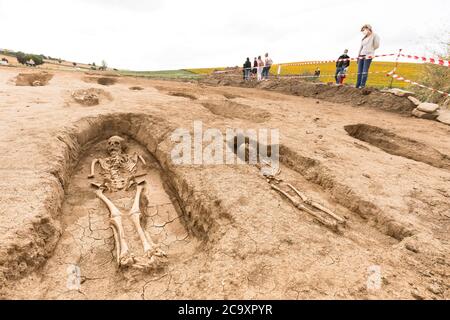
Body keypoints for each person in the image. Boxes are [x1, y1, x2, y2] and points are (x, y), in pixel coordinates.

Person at [356, 24, 380, 88]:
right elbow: (361, 48)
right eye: (362, 30)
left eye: (364, 30)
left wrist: (370, 51)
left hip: (368, 55)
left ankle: (362, 85)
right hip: (361, 55)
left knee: (364, 71)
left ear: (368, 29)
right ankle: (357, 85)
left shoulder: (374, 35)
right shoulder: (364, 38)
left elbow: (376, 45)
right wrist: (358, 56)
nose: (363, 31)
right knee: (359, 72)